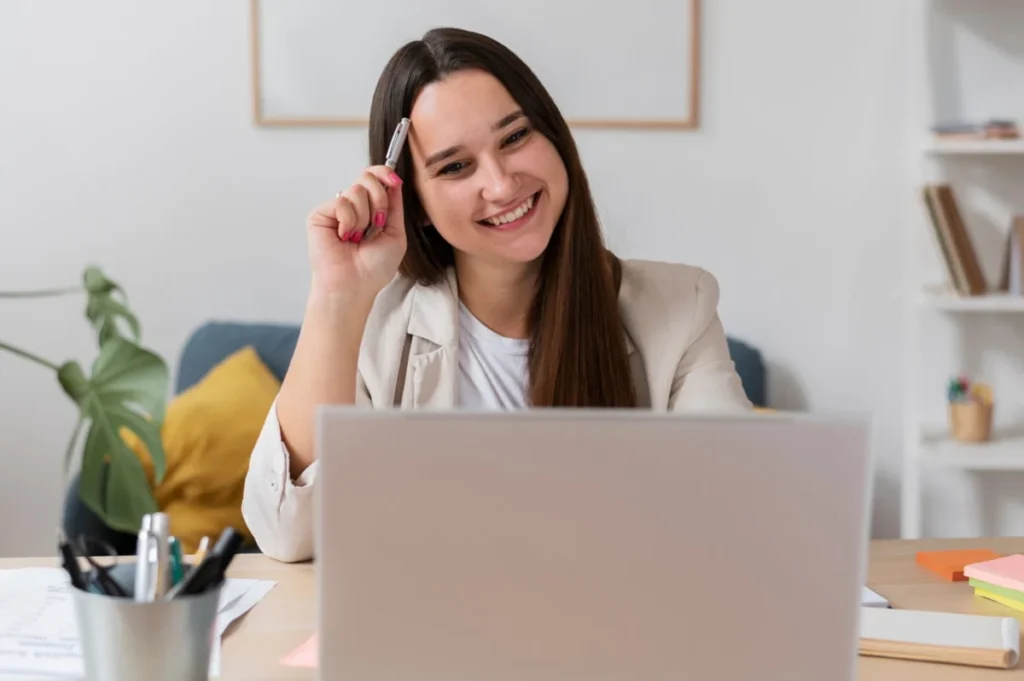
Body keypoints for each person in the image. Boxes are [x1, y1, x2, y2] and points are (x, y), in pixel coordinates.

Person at [241, 27, 752, 562]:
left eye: (515, 138)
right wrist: (336, 296)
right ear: (412, 202)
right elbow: (287, 536)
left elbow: (743, 510)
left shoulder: (680, 307)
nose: (503, 185)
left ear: (555, 138)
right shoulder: (371, 325)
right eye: (456, 167)